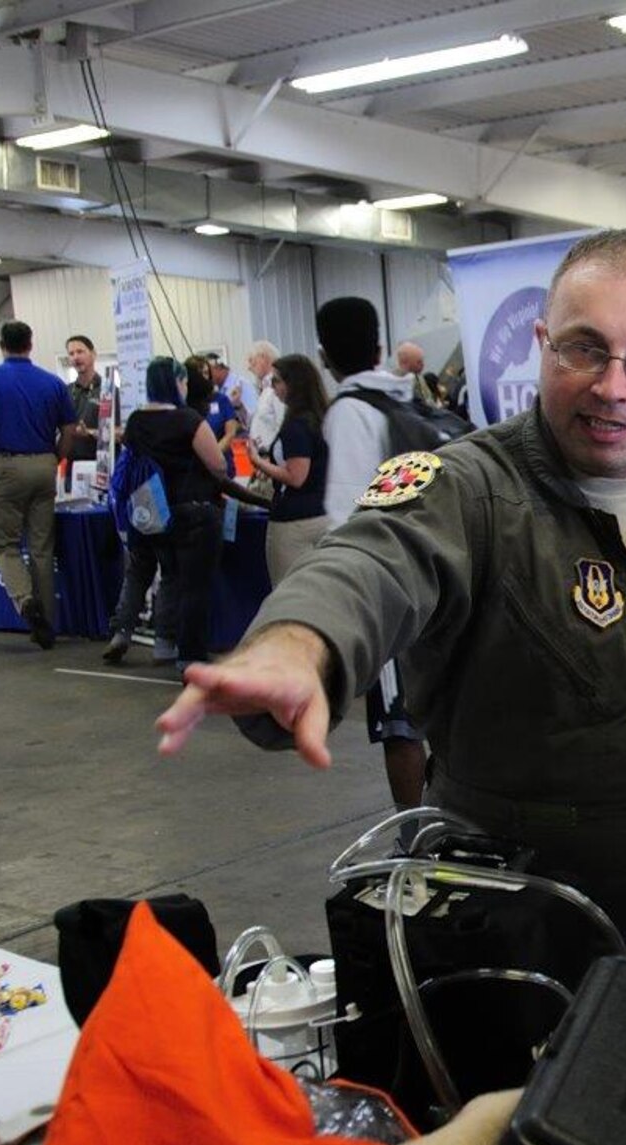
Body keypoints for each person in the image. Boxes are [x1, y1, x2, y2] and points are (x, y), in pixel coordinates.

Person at [155, 230, 626, 1008]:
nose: (614, 386)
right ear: (541, 345)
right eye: (584, 349)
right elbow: (370, 562)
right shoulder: (465, 489)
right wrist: (298, 646)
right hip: (510, 947)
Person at [315, 296, 429, 815]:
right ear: (380, 347)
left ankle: (420, 846)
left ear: (323, 357)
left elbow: (347, 520)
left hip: (396, 594)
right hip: (440, 579)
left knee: (399, 727)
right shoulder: (405, 400)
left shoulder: (351, 412)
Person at [112, 357, 242, 671]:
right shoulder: (188, 420)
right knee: (195, 587)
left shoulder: (136, 422)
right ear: (176, 383)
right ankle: (190, 656)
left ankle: (164, 645)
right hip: (193, 511)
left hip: (154, 512)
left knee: (169, 578)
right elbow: (218, 465)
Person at [0, 320, 78, 650]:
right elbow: (69, 430)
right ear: (31, 343)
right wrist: (55, 459)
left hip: (3, 467)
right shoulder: (53, 382)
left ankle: (27, 602)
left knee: (3, 544)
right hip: (43, 465)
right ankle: (49, 624)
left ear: (2, 345)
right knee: (42, 547)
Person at [246, 354, 332, 585]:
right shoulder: (323, 418)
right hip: (325, 512)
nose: (272, 388)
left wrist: (258, 461)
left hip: (295, 521)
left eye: (275, 381)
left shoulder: (297, 426)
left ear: (292, 384)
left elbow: (296, 477)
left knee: (288, 595)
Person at [65, 335, 106, 462]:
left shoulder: (108, 390)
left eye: (80, 352)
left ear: (93, 354)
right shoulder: (65, 391)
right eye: (71, 354)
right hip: (71, 467)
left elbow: (120, 433)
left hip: (100, 465)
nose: (75, 357)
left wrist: (89, 432)